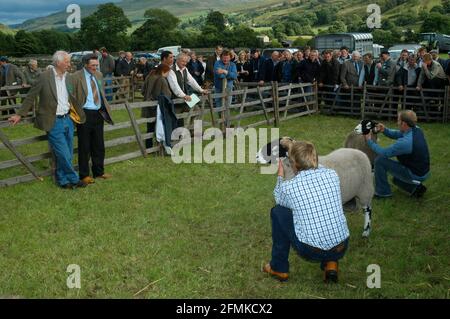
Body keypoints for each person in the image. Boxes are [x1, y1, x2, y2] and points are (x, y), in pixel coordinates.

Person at [263, 141, 349, 283]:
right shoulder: (332, 175)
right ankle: (331, 264)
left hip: (311, 250)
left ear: (293, 164)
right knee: (327, 211)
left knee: (278, 212)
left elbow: (279, 199)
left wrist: (280, 174)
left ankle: (279, 267)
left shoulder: (289, 187)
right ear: (314, 158)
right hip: (341, 246)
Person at [8, 51, 87, 189]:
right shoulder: (44, 77)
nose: (70, 64)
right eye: (67, 61)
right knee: (62, 152)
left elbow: (73, 96)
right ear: (58, 62)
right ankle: (74, 179)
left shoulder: (69, 78)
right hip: (53, 121)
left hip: (68, 119)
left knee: (67, 152)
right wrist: (19, 114)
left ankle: (63, 181)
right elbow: (31, 96)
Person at [364, 110, 430, 198]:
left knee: (380, 161)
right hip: (422, 171)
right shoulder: (416, 129)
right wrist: (385, 130)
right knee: (396, 179)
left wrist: (369, 141)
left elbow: (384, 153)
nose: (397, 122)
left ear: (404, 124)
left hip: (415, 174)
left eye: (398, 120)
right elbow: (398, 134)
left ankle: (383, 193)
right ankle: (415, 188)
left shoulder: (406, 143)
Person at [71, 53, 114, 185]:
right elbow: (70, 94)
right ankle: (84, 175)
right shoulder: (75, 76)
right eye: (93, 65)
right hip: (84, 114)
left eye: (97, 65)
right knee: (84, 146)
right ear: (85, 64)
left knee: (98, 145)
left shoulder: (99, 75)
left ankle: (99, 172)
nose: (95, 67)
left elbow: (100, 92)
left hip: (98, 113)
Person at [167, 53, 208, 126]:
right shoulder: (171, 70)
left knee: (197, 111)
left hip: (185, 98)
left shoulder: (185, 69)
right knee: (175, 120)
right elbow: (174, 86)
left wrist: (201, 90)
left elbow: (191, 81)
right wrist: (183, 95)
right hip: (174, 99)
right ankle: (174, 136)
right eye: (183, 61)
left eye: (186, 62)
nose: (185, 63)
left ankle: (193, 132)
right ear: (177, 60)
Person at [142, 64, 173, 149]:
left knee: (150, 127)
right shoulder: (162, 79)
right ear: (163, 71)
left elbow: (142, 90)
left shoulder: (149, 76)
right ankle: (159, 146)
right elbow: (167, 94)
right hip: (157, 107)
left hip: (147, 105)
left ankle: (149, 146)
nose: (168, 75)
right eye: (167, 73)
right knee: (159, 127)